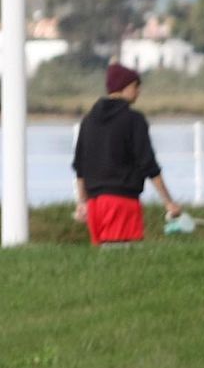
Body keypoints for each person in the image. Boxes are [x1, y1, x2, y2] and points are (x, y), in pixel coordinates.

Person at [72, 63, 182, 246]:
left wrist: (82, 202)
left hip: (94, 205)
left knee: (104, 262)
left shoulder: (88, 120)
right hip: (122, 201)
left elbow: (79, 166)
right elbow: (148, 165)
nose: (138, 92)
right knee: (122, 257)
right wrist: (168, 202)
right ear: (125, 86)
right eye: (136, 86)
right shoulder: (134, 120)